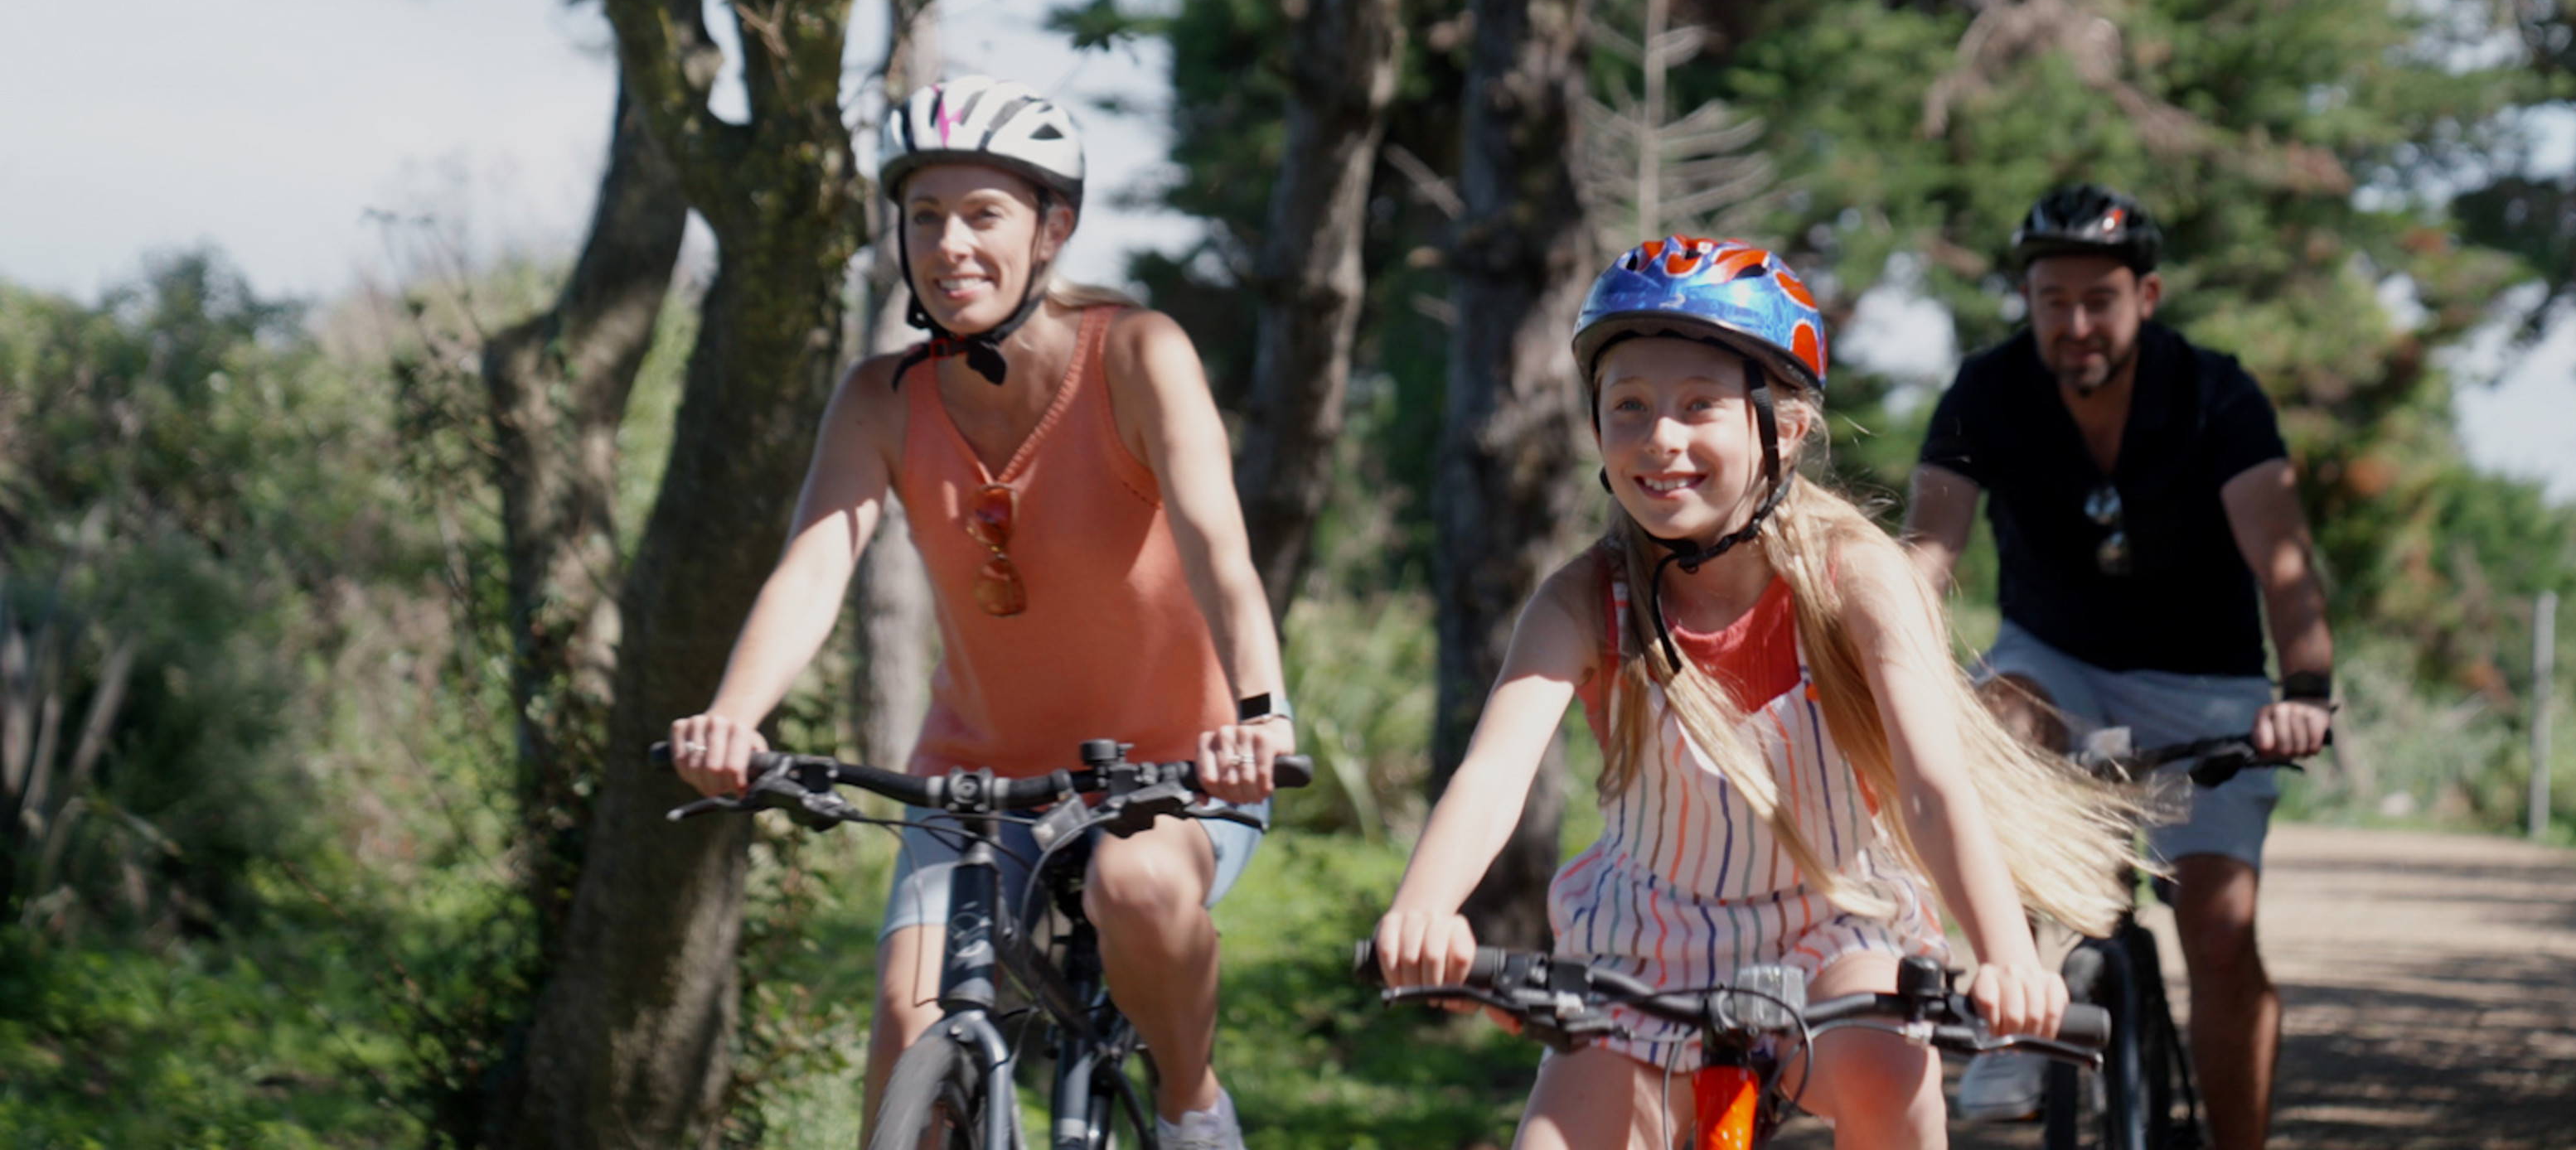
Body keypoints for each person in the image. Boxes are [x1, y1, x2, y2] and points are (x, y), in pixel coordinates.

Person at [1369, 236, 2147, 1150]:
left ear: (1782, 429)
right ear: (1595, 428)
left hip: (1833, 928)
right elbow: (1493, 772)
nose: (1661, 436)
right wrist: (1424, 903)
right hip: (1639, 945)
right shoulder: (1585, 598)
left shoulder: (1854, 578)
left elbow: (1933, 789)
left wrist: (2009, 958)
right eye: (1629, 406)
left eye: (1699, 405)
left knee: (1886, 1069)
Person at [665, 77, 1293, 1150]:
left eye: (984, 213)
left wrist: (1261, 713)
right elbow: (816, 568)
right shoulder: (883, 399)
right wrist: (734, 714)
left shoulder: (1138, 353)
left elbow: (1216, 547)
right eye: (924, 216)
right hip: (972, 784)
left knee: (1138, 889)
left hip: (1175, 768)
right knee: (911, 1036)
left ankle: (1192, 1109)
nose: (950, 243)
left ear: (1055, 226)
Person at [1905, 182, 2337, 1148]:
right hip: (2055, 660)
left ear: (2146, 295)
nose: (2075, 322)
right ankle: (2008, 1009)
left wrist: (2303, 689)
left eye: (2098, 298)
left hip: (2206, 679)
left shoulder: (2214, 392)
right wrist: (1880, 656)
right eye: (2052, 299)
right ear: (2028, 300)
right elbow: (1928, 550)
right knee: (1999, 715)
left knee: (2219, 936)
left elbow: (2282, 555)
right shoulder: (1987, 387)